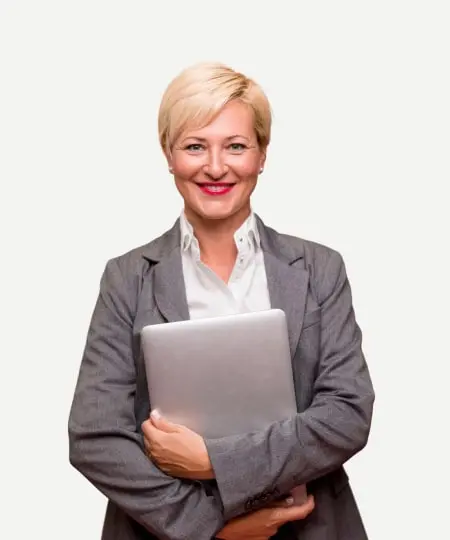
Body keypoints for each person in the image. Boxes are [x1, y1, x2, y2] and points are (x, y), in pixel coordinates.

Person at [68, 62, 375, 540]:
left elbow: (347, 415)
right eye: (195, 146)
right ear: (169, 154)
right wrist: (213, 525)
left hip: (311, 525)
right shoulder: (126, 278)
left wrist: (214, 462)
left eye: (235, 146)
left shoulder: (319, 269)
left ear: (262, 154)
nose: (215, 167)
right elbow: (95, 438)